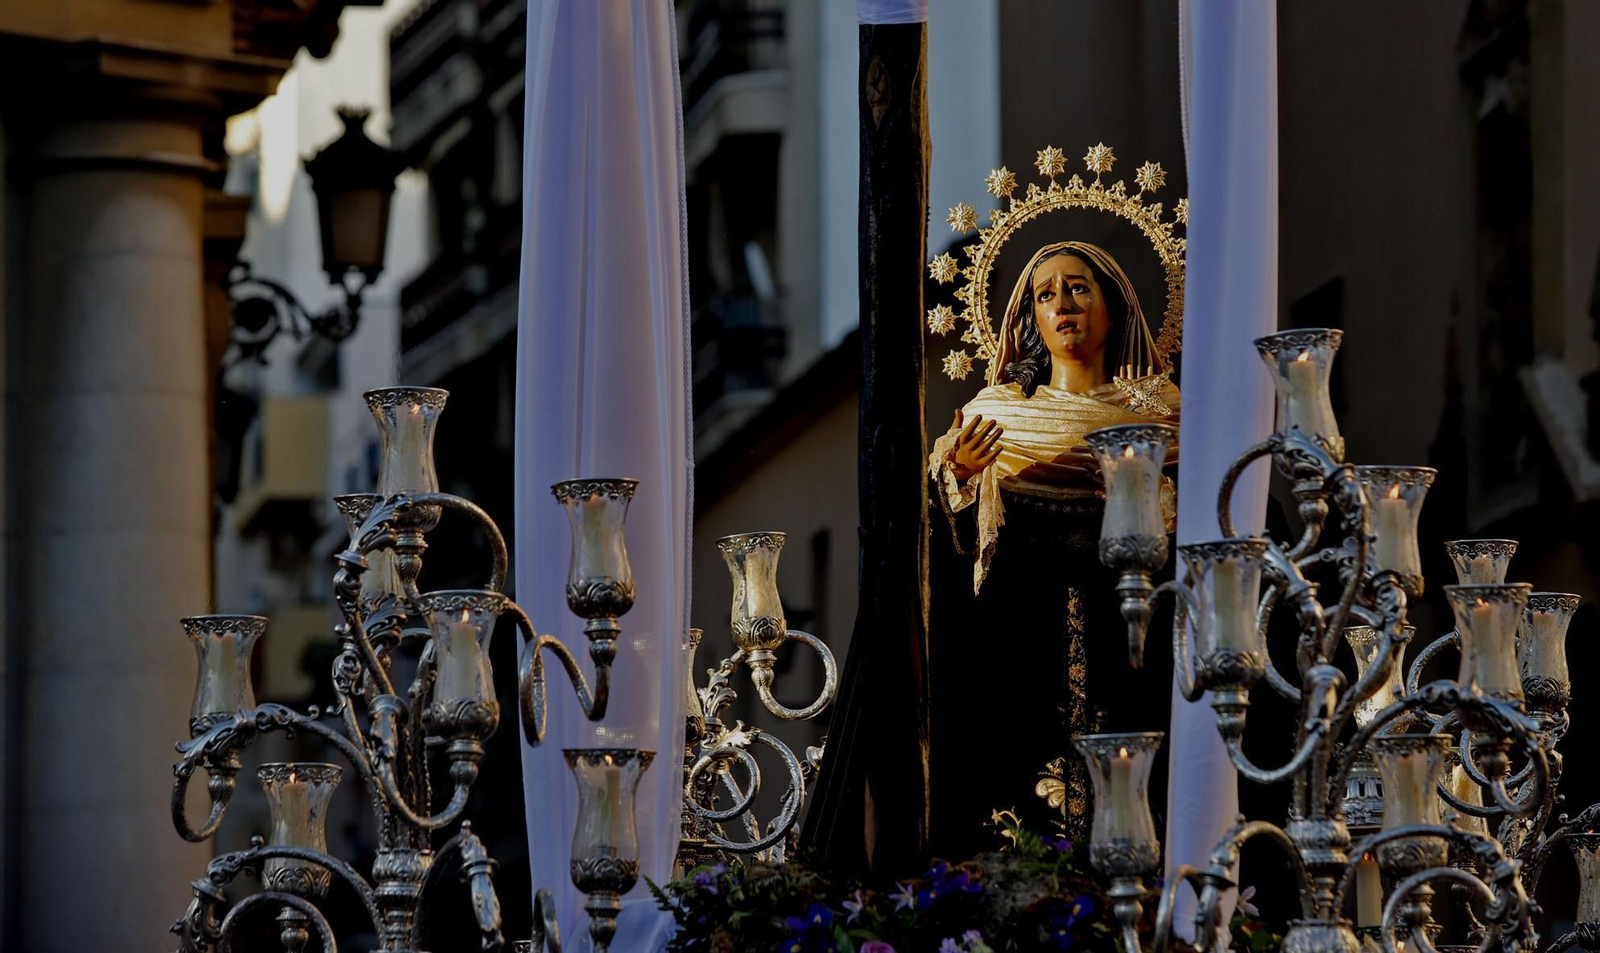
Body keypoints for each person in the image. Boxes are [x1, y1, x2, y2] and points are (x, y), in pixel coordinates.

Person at [926, 240, 1178, 854]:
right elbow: (950, 554)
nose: (1063, 303)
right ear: (1029, 321)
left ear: (1112, 309)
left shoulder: (1164, 417)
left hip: (1135, 645)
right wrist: (958, 478)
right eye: (1045, 294)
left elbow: (1199, 528)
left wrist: (1159, 490)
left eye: (1079, 288)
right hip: (1018, 652)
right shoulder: (997, 418)